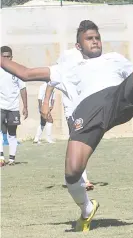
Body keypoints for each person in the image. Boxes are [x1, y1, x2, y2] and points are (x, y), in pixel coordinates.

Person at [1, 2, 133, 232]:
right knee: (72, 173)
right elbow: (24, 72)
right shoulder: (66, 67)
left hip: (118, 99)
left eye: (97, 38)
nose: (95, 41)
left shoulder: (115, 59)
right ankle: (86, 210)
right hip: (88, 114)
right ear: (78, 45)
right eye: (89, 38)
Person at [41, 48, 94, 191]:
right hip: (72, 112)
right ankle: (82, 179)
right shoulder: (65, 67)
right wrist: (45, 103)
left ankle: (72, 176)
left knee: (82, 142)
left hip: (87, 109)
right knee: (79, 141)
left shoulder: (88, 66)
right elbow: (51, 82)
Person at [0, 46, 28, 167]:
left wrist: (25, 107)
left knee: (12, 133)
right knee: (1, 132)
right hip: (1, 106)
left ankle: (11, 159)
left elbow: (23, 88)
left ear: (11, 57)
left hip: (13, 108)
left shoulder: (17, 70)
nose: (6, 59)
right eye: (3, 56)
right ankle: (1, 158)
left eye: (8, 56)